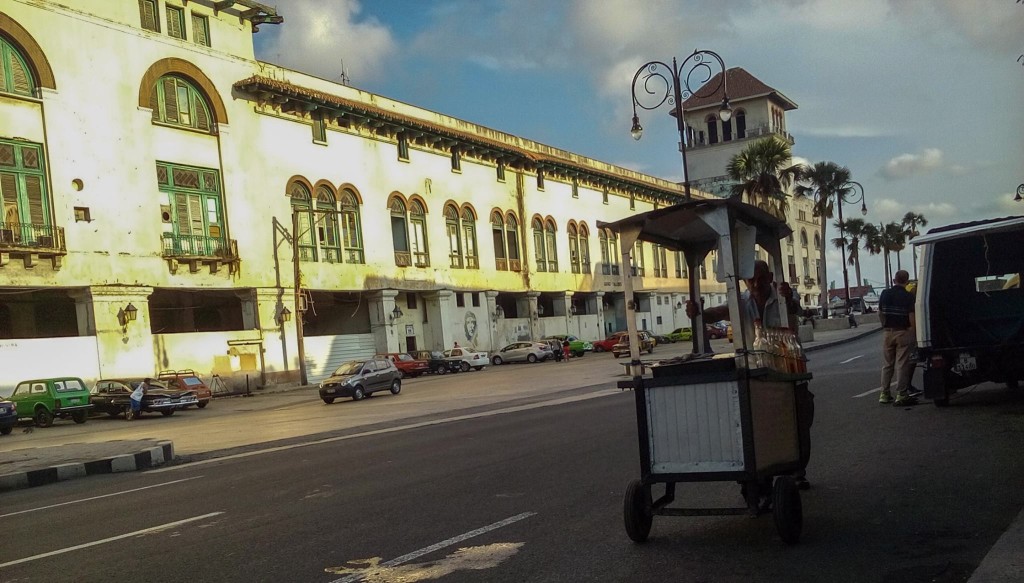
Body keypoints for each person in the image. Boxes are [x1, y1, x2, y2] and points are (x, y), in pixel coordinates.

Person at [687, 260, 813, 490]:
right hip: (754, 373)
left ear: (770, 276)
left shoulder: (783, 295)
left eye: (761, 278)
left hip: (787, 369)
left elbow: (796, 308)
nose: (756, 283)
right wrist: (698, 314)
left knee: (797, 421)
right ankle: (762, 474)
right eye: (750, 279)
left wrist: (789, 300)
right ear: (744, 281)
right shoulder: (741, 302)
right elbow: (718, 312)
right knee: (759, 426)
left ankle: (797, 469)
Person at [878, 270, 918, 406]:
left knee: (887, 364)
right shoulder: (908, 296)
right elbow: (911, 317)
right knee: (902, 363)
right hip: (902, 331)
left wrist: (884, 325)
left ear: (894, 280)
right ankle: (901, 394)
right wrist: (914, 333)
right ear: (906, 281)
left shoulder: (884, 294)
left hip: (887, 332)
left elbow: (880, 312)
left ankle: (884, 393)